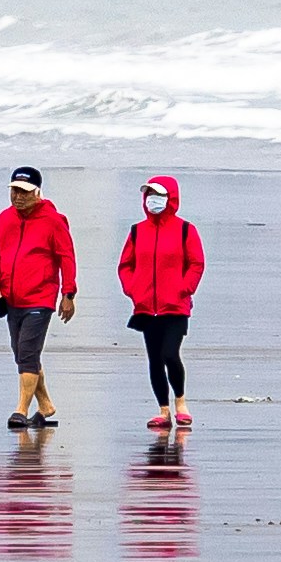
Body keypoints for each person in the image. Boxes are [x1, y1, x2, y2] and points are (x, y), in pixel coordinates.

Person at [0, 163, 77, 429]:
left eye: (23, 192)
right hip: (11, 299)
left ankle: (20, 410)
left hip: (40, 298)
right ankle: (45, 405)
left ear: (37, 192)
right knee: (22, 354)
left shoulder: (53, 221)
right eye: (14, 191)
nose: (18, 197)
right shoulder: (5, 218)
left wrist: (68, 293)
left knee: (28, 353)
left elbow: (66, 257)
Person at [117, 173, 204, 429]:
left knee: (169, 353)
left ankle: (180, 402)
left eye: (159, 195)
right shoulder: (137, 231)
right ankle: (163, 411)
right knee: (154, 358)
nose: (154, 199)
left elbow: (196, 263)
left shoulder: (186, 229)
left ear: (171, 198)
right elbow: (125, 265)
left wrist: (184, 288)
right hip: (146, 307)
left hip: (175, 306)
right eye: (150, 194)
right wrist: (133, 289)